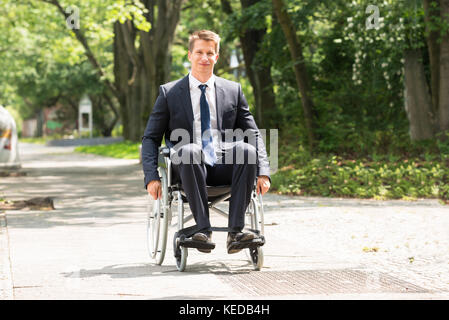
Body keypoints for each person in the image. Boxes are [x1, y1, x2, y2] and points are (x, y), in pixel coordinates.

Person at [141, 30, 270, 254]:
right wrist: (151, 176)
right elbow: (150, 138)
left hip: (223, 165)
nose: (204, 58)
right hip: (187, 168)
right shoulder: (169, 93)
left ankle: (236, 233)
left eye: (210, 53)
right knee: (190, 150)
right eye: (199, 52)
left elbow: (253, 133)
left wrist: (264, 171)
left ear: (216, 57)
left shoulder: (233, 91)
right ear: (190, 55)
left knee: (245, 149)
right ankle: (202, 230)